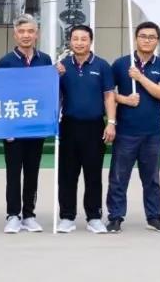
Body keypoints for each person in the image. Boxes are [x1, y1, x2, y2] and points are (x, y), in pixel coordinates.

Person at [106, 21, 160, 234]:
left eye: (152, 37)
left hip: (152, 132)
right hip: (126, 131)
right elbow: (107, 93)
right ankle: (115, 217)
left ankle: (154, 217)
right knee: (118, 178)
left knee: (152, 178)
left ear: (157, 41)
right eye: (143, 36)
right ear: (135, 38)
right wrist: (124, 99)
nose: (147, 40)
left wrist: (140, 77)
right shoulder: (121, 64)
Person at [54, 25, 116, 234]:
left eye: (84, 39)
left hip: (94, 126)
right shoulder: (62, 66)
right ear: (70, 41)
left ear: (91, 41)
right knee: (67, 174)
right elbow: (54, 95)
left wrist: (111, 122)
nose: (79, 42)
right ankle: (67, 216)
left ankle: (94, 217)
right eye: (75, 38)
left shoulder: (102, 65)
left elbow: (109, 95)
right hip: (69, 125)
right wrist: (55, 76)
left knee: (93, 173)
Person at [0, 14, 52, 234]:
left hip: (36, 126)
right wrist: (5, 127)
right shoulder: (6, 61)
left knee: (32, 172)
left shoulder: (45, 60)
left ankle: (29, 214)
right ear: (15, 35)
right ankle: (13, 214)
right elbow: (0, 94)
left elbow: (48, 91)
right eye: (21, 32)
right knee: (13, 172)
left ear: (37, 34)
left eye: (30, 31)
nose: (26, 35)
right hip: (13, 126)